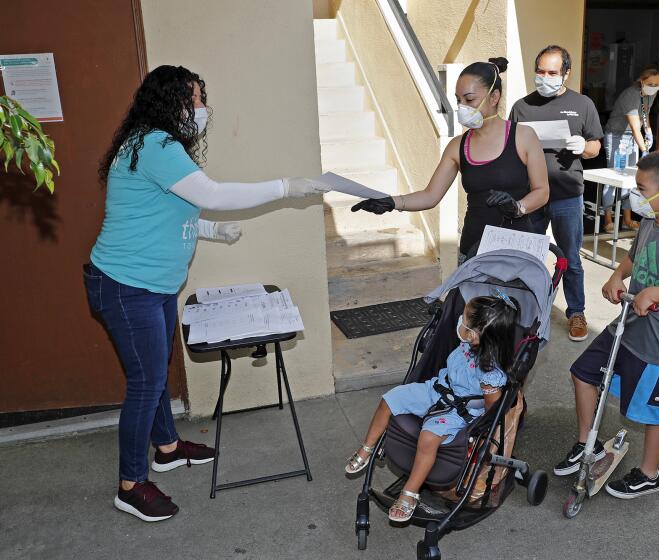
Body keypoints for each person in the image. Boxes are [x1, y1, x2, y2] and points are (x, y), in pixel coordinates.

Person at [84, 65, 329, 522]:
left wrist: (212, 231)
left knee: (155, 371)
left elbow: (163, 210)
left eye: (201, 98)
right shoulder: (154, 144)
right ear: (170, 102)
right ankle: (130, 484)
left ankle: (168, 448)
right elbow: (212, 193)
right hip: (126, 285)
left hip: (149, 285)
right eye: (194, 99)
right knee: (146, 382)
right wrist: (285, 187)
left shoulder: (152, 143)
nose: (202, 108)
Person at [553, 149, 659, 498]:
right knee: (582, 373)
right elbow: (633, 257)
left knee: (652, 413)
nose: (636, 195)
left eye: (642, 189)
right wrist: (616, 276)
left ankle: (649, 474)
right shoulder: (648, 222)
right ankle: (589, 444)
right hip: (627, 328)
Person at [350, 57, 549, 264]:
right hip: (474, 250)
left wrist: (518, 207)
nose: (462, 106)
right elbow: (430, 195)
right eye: (458, 100)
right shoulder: (457, 146)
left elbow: (542, 191)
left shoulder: (523, 136)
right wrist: (391, 202)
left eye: (469, 99)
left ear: (494, 97)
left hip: (517, 250)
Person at [344, 294, 517, 521]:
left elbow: (492, 407)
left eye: (464, 318)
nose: (459, 320)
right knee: (390, 399)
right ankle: (368, 449)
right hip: (435, 390)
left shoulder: (489, 373)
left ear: (476, 334)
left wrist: (476, 430)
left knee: (428, 437)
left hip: (458, 410)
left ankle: (410, 492)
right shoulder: (467, 344)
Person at [509, 45, 603, 342]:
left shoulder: (583, 104)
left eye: (552, 72)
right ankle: (529, 308)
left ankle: (576, 312)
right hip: (531, 195)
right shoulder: (522, 106)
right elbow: (509, 148)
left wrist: (583, 146)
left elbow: (595, 147)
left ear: (566, 73)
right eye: (540, 71)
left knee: (570, 257)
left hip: (566, 195)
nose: (545, 77)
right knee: (529, 255)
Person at [602, 66, 659, 233]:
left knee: (630, 178)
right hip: (616, 136)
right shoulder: (631, 94)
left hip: (631, 137)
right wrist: (645, 150)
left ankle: (626, 219)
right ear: (641, 81)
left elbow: (645, 115)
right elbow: (635, 126)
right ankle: (608, 218)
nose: (654, 86)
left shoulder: (651, 93)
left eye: (657, 84)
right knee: (613, 178)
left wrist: (649, 131)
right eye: (650, 83)